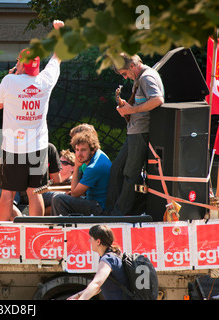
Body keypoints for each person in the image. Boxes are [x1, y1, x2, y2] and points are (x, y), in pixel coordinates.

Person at [0, 20, 64, 221]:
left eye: (18, 62)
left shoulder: (10, 80)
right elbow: (58, 57)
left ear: (21, 65)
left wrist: (12, 77)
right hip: (38, 146)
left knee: (7, 193)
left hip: (14, 147)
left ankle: (2, 232)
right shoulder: (45, 80)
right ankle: (36, 231)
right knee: (35, 192)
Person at [106, 53, 164, 216]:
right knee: (117, 169)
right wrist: (127, 107)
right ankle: (112, 210)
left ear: (132, 65)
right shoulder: (142, 78)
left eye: (125, 73)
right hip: (135, 131)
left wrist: (131, 110)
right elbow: (144, 102)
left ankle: (119, 213)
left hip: (141, 132)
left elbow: (158, 100)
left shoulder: (147, 77)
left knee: (130, 174)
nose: (125, 77)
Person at [51, 130, 111, 216]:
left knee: (58, 199)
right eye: (77, 150)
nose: (79, 154)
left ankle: (63, 227)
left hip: (100, 208)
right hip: (95, 201)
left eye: (83, 150)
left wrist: (76, 166)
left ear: (92, 150)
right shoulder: (99, 154)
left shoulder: (93, 168)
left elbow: (75, 193)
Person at [68, 225, 131, 300]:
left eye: (90, 238)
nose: (89, 241)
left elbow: (96, 284)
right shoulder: (110, 256)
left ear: (98, 241)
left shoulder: (108, 259)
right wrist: (78, 295)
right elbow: (98, 287)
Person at [43, 149, 75, 215]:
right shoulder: (50, 182)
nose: (60, 164)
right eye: (59, 162)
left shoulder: (74, 183)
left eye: (64, 163)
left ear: (73, 167)